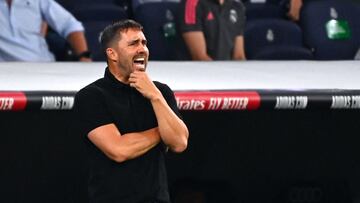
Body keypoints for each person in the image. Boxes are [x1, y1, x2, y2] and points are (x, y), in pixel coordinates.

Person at [73, 19, 189, 202]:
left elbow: (179, 142)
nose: (142, 49)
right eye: (134, 43)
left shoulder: (160, 92)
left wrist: (155, 96)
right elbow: (119, 150)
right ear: (112, 54)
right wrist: (162, 132)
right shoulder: (91, 96)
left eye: (144, 43)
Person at [0, 0, 91, 62]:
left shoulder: (39, 1)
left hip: (44, 67)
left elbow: (70, 25)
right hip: (7, 73)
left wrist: (84, 56)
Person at [179, 0, 247, 60]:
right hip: (197, 72)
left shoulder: (237, 6)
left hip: (227, 72)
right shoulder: (192, 3)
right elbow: (199, 57)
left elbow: (239, 56)